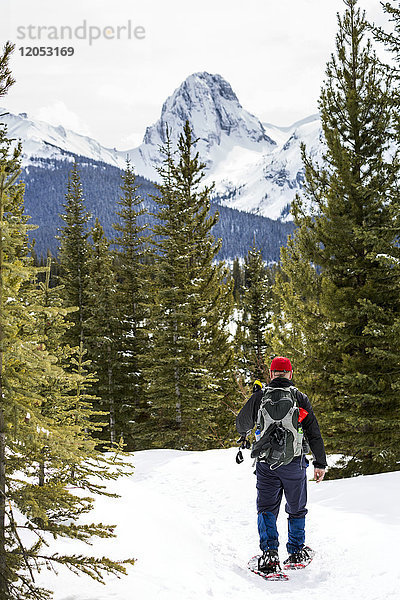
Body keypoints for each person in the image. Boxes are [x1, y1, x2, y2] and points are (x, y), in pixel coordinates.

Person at [236, 356, 327, 574]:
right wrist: (320, 462)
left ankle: (269, 555)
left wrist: (246, 434)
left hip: (266, 464)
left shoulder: (260, 396)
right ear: (290, 374)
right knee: (296, 508)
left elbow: (242, 423)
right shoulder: (299, 397)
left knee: (266, 508)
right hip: (294, 463)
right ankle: (296, 552)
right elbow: (314, 433)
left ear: (271, 374)